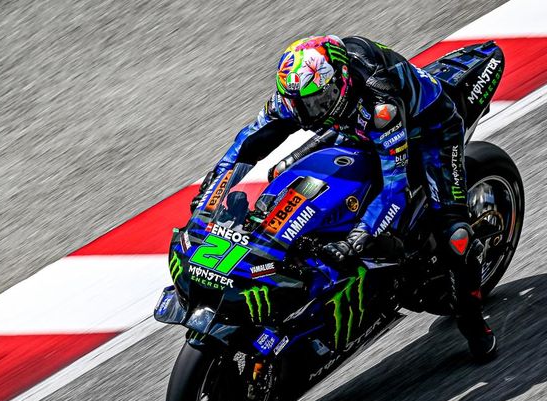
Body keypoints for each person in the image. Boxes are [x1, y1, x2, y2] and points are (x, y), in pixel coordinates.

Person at [191, 35, 496, 361]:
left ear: (341, 81)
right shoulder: (301, 93)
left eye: (317, 102)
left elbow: (394, 187)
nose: (308, 112)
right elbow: (248, 142)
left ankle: (474, 323)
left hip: (428, 129)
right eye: (302, 105)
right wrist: (214, 188)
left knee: (455, 236)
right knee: (282, 172)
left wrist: (355, 241)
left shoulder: (380, 104)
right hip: (352, 125)